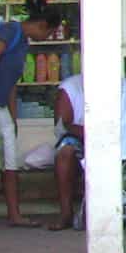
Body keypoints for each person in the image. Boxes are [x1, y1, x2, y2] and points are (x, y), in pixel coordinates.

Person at [0, 0, 62, 227]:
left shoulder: (23, 42)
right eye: (48, 33)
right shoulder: (9, 31)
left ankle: (15, 215)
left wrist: (13, 119)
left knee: (10, 162)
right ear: (42, 25)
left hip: (2, 107)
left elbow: (11, 83)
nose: (46, 38)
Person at [48, 73, 83, 231]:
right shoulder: (71, 86)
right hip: (77, 136)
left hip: (112, 136)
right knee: (65, 153)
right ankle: (66, 213)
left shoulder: (120, 84)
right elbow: (62, 124)